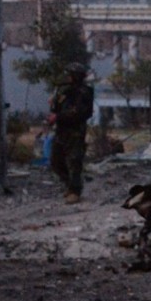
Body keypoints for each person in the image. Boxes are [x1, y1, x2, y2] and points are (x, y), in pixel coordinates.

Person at [48, 62, 94, 204]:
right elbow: (57, 107)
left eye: (70, 74)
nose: (67, 77)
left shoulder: (84, 92)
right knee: (55, 161)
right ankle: (70, 184)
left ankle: (75, 191)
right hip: (61, 131)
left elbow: (79, 112)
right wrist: (53, 104)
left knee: (74, 162)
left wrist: (58, 117)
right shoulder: (64, 90)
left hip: (75, 132)